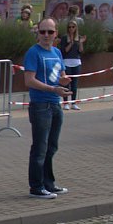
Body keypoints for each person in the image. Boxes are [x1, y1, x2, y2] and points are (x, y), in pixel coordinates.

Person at [24, 17, 71, 199]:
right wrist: (53, 88)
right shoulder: (33, 53)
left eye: (50, 32)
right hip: (41, 104)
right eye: (42, 31)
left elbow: (60, 75)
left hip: (55, 103)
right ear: (37, 32)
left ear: (56, 34)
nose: (46, 35)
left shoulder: (57, 52)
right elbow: (29, 80)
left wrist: (63, 82)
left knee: (52, 146)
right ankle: (36, 186)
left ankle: (48, 183)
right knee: (40, 147)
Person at [59, 20, 86, 111]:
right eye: (69, 27)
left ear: (76, 28)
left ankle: (73, 102)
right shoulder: (64, 37)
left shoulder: (78, 37)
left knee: (74, 84)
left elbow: (81, 51)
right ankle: (65, 103)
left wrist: (81, 42)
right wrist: (70, 43)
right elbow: (65, 51)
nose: (71, 29)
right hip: (67, 62)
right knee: (66, 83)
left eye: (73, 27)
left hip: (76, 62)